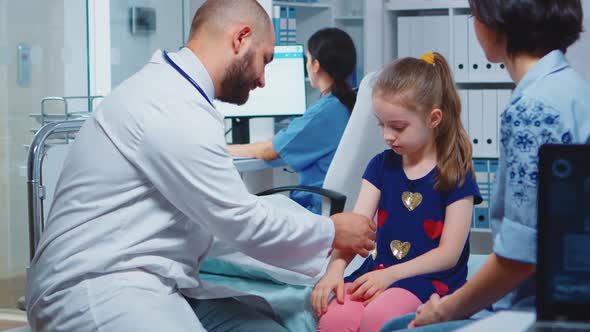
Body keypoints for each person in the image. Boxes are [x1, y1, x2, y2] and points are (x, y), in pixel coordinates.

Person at [25, 1, 377, 331]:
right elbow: (239, 220)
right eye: (265, 60)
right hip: (98, 285)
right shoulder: (170, 104)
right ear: (240, 39)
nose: (263, 80)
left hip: (154, 277)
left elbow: (221, 222)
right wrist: (330, 232)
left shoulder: (180, 96)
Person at [381, 1, 590, 331]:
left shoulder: (532, 110)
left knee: (398, 327)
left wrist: (446, 309)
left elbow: (520, 257)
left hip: (538, 307)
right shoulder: (573, 87)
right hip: (565, 294)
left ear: (494, 23)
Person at [310, 52, 482, 332]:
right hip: (381, 272)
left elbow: (449, 254)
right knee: (335, 318)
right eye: (381, 124)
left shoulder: (454, 173)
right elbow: (357, 231)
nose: (387, 135)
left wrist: (390, 276)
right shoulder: (380, 166)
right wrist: (335, 270)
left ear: (434, 118)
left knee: (380, 317)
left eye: (398, 127)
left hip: (429, 279)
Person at [227, 27, 357, 214]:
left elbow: (269, 151)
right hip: (342, 206)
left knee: (248, 210)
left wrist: (224, 148)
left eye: (307, 59)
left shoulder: (324, 112)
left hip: (317, 209)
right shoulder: (349, 103)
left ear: (316, 65)